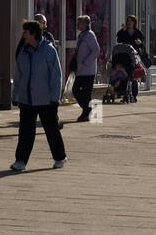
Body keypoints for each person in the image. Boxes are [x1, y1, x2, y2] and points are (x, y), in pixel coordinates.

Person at [11, 20, 67, 171]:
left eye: (26, 33)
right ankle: (20, 161)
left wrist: (55, 98)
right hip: (26, 99)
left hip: (46, 99)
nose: (23, 36)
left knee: (51, 130)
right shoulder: (24, 50)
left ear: (33, 34)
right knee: (25, 132)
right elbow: (18, 74)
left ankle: (60, 157)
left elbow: (56, 76)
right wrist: (15, 94)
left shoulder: (49, 51)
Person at [72, 14, 100, 122]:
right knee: (76, 91)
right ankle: (87, 110)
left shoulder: (89, 35)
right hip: (81, 70)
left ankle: (87, 112)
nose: (77, 25)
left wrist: (85, 62)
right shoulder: (81, 35)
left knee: (85, 93)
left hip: (88, 70)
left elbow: (96, 50)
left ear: (86, 24)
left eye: (80, 23)